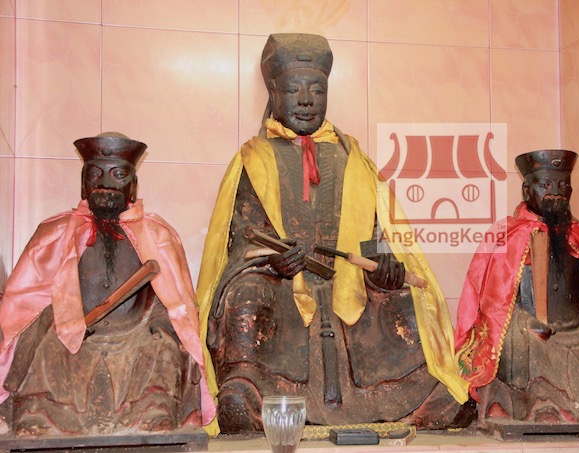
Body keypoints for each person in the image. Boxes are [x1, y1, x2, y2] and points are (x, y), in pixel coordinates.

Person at [196, 33, 473, 434]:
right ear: (273, 92)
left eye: (317, 90)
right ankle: (247, 390)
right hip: (281, 282)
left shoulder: (352, 157)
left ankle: (421, 395)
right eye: (293, 89)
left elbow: (376, 229)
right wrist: (273, 260)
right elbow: (242, 237)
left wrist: (383, 264)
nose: (305, 100)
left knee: (405, 297)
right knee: (246, 294)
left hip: (350, 282)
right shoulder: (253, 159)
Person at [0, 133, 216, 437]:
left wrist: (159, 321)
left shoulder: (157, 235)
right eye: (95, 174)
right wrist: (65, 320)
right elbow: (30, 300)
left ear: (133, 186)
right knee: (46, 345)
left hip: (135, 332)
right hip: (75, 331)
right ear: (83, 184)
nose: (105, 182)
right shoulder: (56, 232)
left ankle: (152, 412)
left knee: (164, 348)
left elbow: (172, 299)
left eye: (118, 175)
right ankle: (41, 414)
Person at [455, 149, 579, 423]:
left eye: (563, 185)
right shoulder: (507, 236)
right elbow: (497, 305)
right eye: (545, 185)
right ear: (527, 190)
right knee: (525, 337)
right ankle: (541, 405)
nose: (555, 193)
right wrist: (529, 322)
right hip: (532, 326)